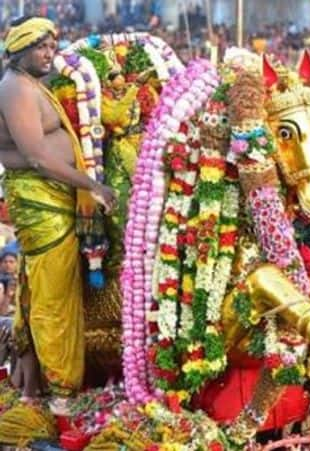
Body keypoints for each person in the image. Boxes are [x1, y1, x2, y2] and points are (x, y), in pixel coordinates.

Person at [0, 16, 115, 409]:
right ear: (18, 49)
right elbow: (35, 156)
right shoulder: (14, 88)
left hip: (55, 196)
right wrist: (92, 185)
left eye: (52, 46)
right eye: (41, 47)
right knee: (55, 297)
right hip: (41, 200)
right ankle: (61, 396)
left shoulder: (32, 84)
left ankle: (37, 387)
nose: (49, 53)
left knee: (53, 288)